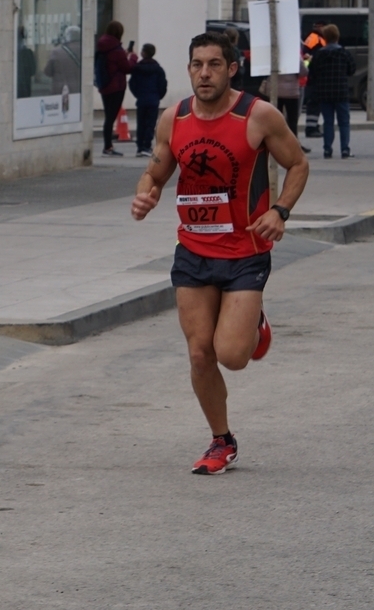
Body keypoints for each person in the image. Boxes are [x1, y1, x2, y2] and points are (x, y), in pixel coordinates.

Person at [130, 32, 310, 475]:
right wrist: (146, 195)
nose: (204, 73)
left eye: (214, 64)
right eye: (197, 64)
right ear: (189, 69)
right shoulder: (174, 118)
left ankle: (253, 323)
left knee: (231, 355)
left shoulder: (257, 115)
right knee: (199, 354)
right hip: (193, 250)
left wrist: (280, 211)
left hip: (245, 250)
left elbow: (298, 164)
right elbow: (155, 172)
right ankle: (221, 440)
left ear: (231, 69)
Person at [306, 22, 356, 159]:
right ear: (337, 36)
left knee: (328, 122)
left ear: (325, 37)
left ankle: (327, 149)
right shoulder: (343, 53)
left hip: (324, 93)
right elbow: (352, 69)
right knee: (344, 122)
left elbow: (312, 72)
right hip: (341, 92)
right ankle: (345, 149)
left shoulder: (319, 55)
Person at [96, 21, 136, 156]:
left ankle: (108, 145)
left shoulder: (103, 46)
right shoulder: (117, 50)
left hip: (104, 85)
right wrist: (133, 57)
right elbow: (127, 68)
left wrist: (123, 55)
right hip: (116, 87)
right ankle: (108, 147)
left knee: (108, 116)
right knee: (110, 117)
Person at [128, 43, 169, 156]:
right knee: (150, 124)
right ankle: (147, 145)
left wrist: (138, 94)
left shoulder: (137, 68)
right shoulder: (158, 69)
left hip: (141, 100)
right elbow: (163, 85)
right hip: (153, 100)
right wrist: (158, 96)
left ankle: (140, 146)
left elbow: (132, 84)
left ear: (143, 53)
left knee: (140, 123)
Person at [45, 24, 84, 107]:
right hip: (81, 89)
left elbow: (47, 72)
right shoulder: (85, 51)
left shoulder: (57, 52)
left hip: (61, 90)